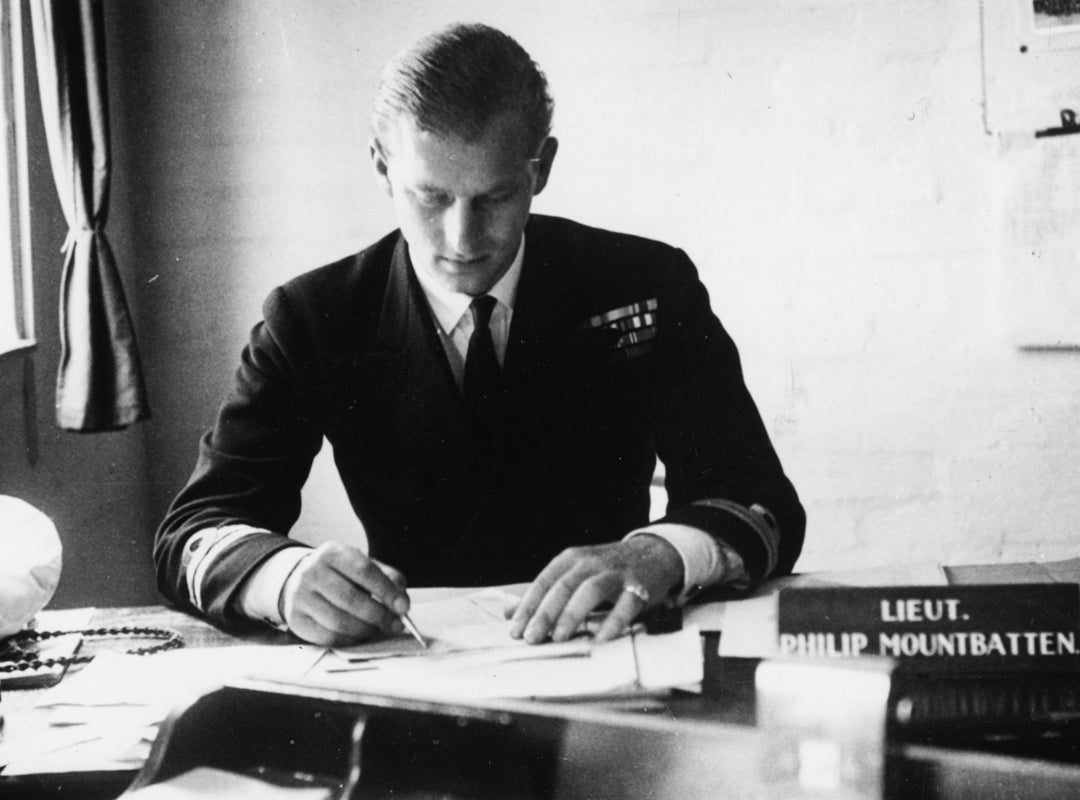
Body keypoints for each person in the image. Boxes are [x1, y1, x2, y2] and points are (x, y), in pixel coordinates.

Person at [155, 22, 804, 647]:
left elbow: (760, 502)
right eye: (431, 198)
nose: (461, 241)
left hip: (612, 644)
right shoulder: (313, 316)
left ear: (539, 170)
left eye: (493, 199)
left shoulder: (643, 281)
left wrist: (661, 553)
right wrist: (284, 577)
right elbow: (191, 531)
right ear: (382, 168)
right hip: (414, 666)